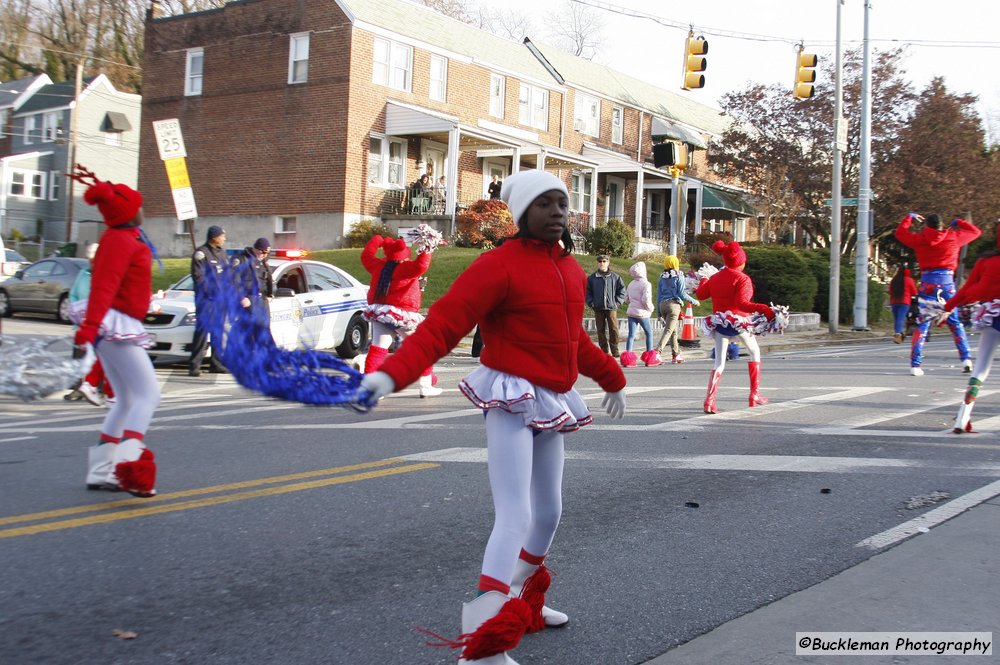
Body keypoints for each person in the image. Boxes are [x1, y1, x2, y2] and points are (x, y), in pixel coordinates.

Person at [359, 169, 626, 664]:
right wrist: (391, 375)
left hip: (551, 396)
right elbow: (443, 324)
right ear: (522, 212)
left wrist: (612, 378)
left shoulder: (569, 269)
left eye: (561, 204)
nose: (557, 213)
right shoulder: (497, 265)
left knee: (549, 512)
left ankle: (522, 601)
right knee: (515, 514)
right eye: (544, 204)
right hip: (508, 397)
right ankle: (480, 642)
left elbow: (575, 341)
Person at [67, 165, 160, 498]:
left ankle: (101, 471)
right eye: (139, 205)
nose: (143, 209)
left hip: (114, 324)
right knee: (149, 394)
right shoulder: (121, 240)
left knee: (127, 399)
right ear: (129, 212)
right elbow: (104, 287)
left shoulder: (122, 238)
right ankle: (128, 470)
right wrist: (89, 329)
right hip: (114, 324)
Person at [894, 212, 981, 376]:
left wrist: (908, 218)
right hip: (947, 284)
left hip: (928, 284)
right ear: (942, 225)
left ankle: (916, 365)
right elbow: (976, 232)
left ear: (926, 225)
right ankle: (966, 359)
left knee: (923, 324)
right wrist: (960, 222)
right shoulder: (953, 237)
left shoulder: (920, 240)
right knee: (955, 323)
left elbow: (900, 234)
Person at [695, 240, 776, 414]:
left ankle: (709, 400)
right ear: (741, 262)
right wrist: (765, 309)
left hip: (719, 323)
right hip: (739, 323)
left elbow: (701, 295)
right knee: (754, 352)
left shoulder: (715, 277)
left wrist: (704, 278)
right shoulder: (743, 279)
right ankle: (754, 394)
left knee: (719, 363)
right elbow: (743, 304)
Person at [360, 233, 440, 397]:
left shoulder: (378, 266)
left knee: (377, 350)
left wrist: (377, 240)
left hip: (380, 312)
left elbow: (366, 255)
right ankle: (426, 384)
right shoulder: (405, 268)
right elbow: (422, 264)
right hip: (403, 315)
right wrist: (427, 246)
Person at [943, 233, 1000, 433]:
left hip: (991, 316)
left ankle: (962, 416)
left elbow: (967, 290)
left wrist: (947, 308)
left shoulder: (986, 261)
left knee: (981, 369)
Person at [68, 242, 115, 407]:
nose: (91, 263)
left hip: (100, 322)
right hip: (86, 322)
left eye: (94, 260)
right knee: (87, 356)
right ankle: (86, 386)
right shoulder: (83, 274)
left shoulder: (105, 274)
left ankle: (98, 387)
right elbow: (73, 294)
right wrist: (77, 311)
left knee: (102, 355)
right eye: (90, 260)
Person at [189, 225, 229, 376]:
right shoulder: (201, 253)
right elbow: (198, 277)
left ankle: (216, 364)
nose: (224, 238)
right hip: (206, 300)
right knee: (202, 332)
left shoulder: (222, 254)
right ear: (214, 237)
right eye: (222, 236)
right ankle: (194, 365)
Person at [655, 254, 700, 364]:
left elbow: (658, 295)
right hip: (673, 305)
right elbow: (682, 293)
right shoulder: (679, 275)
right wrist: (694, 301)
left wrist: (659, 312)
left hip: (662, 305)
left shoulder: (662, 276)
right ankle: (657, 353)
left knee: (673, 331)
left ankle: (676, 354)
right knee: (669, 330)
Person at [585, 254, 626, 358]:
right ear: (597, 263)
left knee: (614, 329)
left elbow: (622, 291)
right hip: (598, 308)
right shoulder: (592, 278)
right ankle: (604, 351)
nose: (602, 263)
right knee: (600, 330)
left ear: (608, 262)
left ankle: (615, 349)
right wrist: (591, 303)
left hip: (611, 308)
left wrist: (616, 303)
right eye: (600, 261)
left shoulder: (615, 277)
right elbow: (587, 292)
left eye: (604, 261)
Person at [621, 261, 660, 367]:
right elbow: (645, 299)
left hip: (631, 312)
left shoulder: (631, 284)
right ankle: (650, 359)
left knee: (631, 335)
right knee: (649, 333)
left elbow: (626, 299)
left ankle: (628, 360)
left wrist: (633, 303)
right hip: (643, 313)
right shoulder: (646, 284)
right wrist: (651, 308)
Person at [230, 237, 275, 321]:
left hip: (262, 302)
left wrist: (270, 295)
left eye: (267, 253)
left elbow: (268, 280)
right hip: (248, 301)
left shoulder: (263, 263)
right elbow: (234, 280)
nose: (265, 255)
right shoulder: (242, 260)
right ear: (255, 249)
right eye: (263, 252)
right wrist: (241, 297)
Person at [888, 265, 918, 344]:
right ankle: (898, 334)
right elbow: (914, 292)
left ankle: (898, 334)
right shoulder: (909, 280)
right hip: (904, 302)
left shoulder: (894, 280)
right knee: (900, 319)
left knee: (897, 319)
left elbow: (890, 291)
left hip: (894, 302)